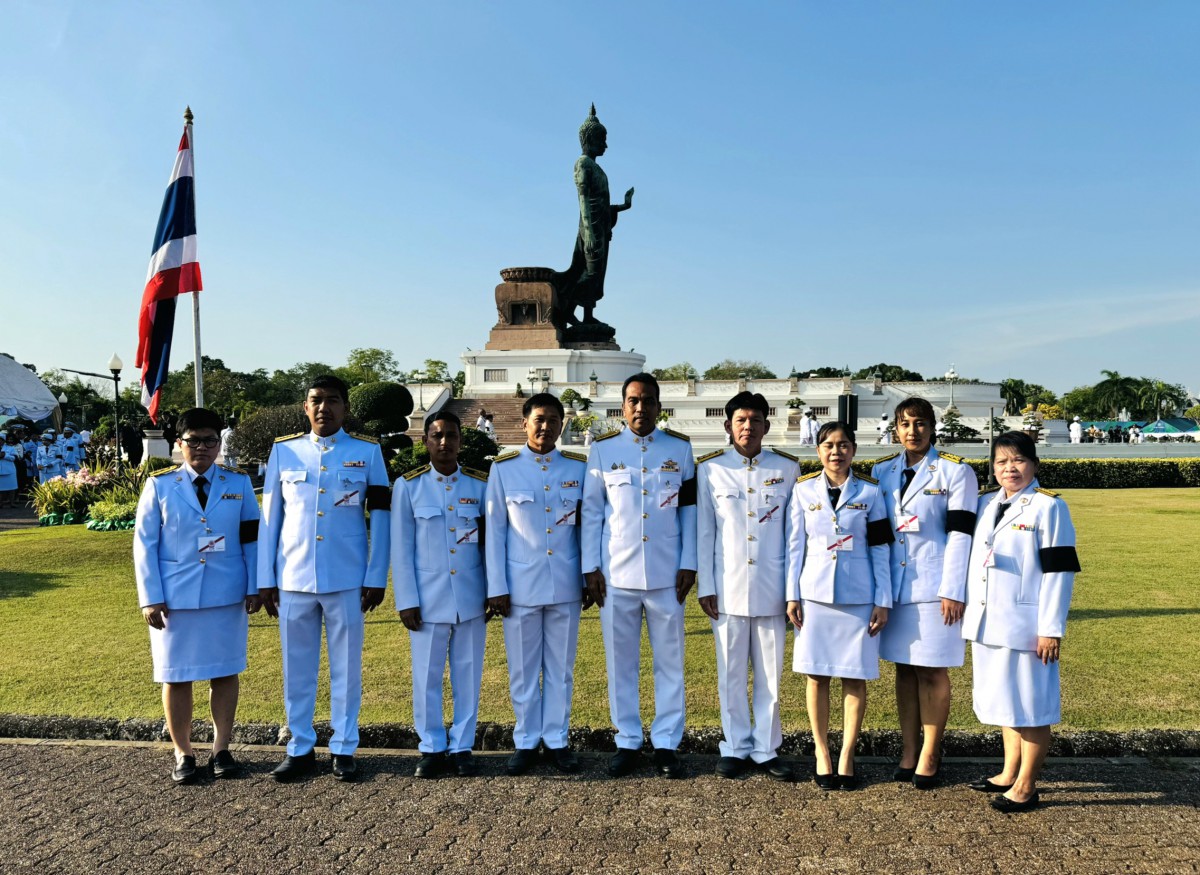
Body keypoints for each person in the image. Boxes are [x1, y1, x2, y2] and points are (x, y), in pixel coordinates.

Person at [258, 375, 391, 783]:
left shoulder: (367, 452)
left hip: (348, 577)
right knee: (296, 668)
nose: (324, 408)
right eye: (316, 400)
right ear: (305, 406)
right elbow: (271, 519)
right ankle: (299, 747)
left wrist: (376, 575)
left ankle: (344, 746)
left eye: (333, 401)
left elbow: (381, 519)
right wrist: (266, 577)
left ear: (345, 408)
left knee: (346, 668)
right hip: (293, 576)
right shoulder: (285, 451)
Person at [133, 408, 261, 784]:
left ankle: (222, 747)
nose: (202, 447)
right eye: (193, 440)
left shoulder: (238, 484)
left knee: (225, 672)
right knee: (176, 676)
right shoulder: (159, 485)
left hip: (226, 593)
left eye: (210, 440)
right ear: (179, 444)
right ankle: (183, 752)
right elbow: (144, 544)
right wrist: (150, 597)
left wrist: (254, 586)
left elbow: (252, 539)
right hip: (174, 599)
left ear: (219, 444)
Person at [582, 373, 696, 778]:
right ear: (622, 406)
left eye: (648, 401)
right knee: (621, 664)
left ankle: (666, 742)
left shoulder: (679, 449)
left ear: (659, 406)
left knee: (670, 662)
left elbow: (689, 510)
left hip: (668, 574)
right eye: (633, 400)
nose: (640, 408)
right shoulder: (603, 451)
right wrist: (589, 567)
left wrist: (690, 561)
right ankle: (627, 739)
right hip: (616, 574)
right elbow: (592, 513)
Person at [962, 431, 1080, 812]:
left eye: (1018, 460)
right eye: (1001, 462)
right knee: (1005, 700)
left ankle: (1027, 785)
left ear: (1034, 464)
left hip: (1027, 624)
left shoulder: (1049, 508)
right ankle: (1009, 770)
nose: (1009, 468)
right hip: (988, 619)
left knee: (1031, 704)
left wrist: (1050, 628)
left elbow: (1059, 572)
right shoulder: (985, 504)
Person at [872, 397, 979, 789]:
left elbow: (960, 534)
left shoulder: (955, 472)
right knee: (903, 669)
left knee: (932, 670)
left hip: (936, 588)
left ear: (932, 427)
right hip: (896, 589)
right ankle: (908, 750)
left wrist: (952, 589)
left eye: (919, 423)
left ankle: (931, 752)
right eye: (904, 424)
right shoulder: (882, 472)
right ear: (895, 429)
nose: (912, 431)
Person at [696, 392, 798, 781]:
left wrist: (792, 591)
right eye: (740, 420)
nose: (748, 427)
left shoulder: (786, 468)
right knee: (731, 673)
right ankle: (735, 746)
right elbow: (705, 532)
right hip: (727, 586)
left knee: (771, 674)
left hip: (772, 586)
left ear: (766, 427)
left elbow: (793, 536)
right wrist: (706, 583)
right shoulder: (711, 470)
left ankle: (766, 749)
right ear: (727, 426)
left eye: (756, 420)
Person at [485, 393, 588, 775]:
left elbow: (586, 528)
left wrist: (586, 577)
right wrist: (496, 586)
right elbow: (494, 533)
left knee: (560, 668)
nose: (546, 427)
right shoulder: (504, 468)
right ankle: (526, 739)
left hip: (565, 584)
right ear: (525, 423)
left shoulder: (578, 469)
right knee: (524, 669)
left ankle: (558, 739)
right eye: (539, 419)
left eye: (553, 420)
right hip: (519, 586)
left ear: (563, 424)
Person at [786, 422, 892, 790]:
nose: (836, 452)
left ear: (854, 449)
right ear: (818, 450)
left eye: (843, 445)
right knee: (816, 675)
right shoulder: (802, 491)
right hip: (814, 595)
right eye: (829, 445)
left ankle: (847, 753)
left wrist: (883, 599)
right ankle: (821, 751)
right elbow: (794, 547)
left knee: (854, 675)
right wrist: (791, 595)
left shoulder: (871, 492)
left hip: (859, 597)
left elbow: (880, 548)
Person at [391, 411, 489, 779]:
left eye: (451, 435)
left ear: (461, 441)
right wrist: (406, 600)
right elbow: (401, 550)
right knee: (427, 677)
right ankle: (431, 746)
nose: (444, 442)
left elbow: (490, 546)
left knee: (468, 675)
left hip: (472, 596)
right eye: (436, 436)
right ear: (425, 442)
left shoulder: (480, 486)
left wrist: (493, 591)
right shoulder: (409, 486)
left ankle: (462, 745)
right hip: (426, 600)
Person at [556, 104, 634, 328]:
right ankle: (566, 310)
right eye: (602, 139)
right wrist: (589, 233)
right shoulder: (583, 164)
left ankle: (587, 317)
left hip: (600, 228)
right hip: (590, 228)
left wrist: (623, 206)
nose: (606, 145)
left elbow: (601, 204)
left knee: (597, 275)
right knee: (589, 273)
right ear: (590, 139)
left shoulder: (599, 169)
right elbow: (583, 200)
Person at [0, 432, 19, 507]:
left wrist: (5, 455)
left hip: (9, 470)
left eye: (1, 440)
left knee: (12, 487)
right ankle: (0, 503)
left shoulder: (11, 448)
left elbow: (14, 458)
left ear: (4, 440)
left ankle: (12, 503)